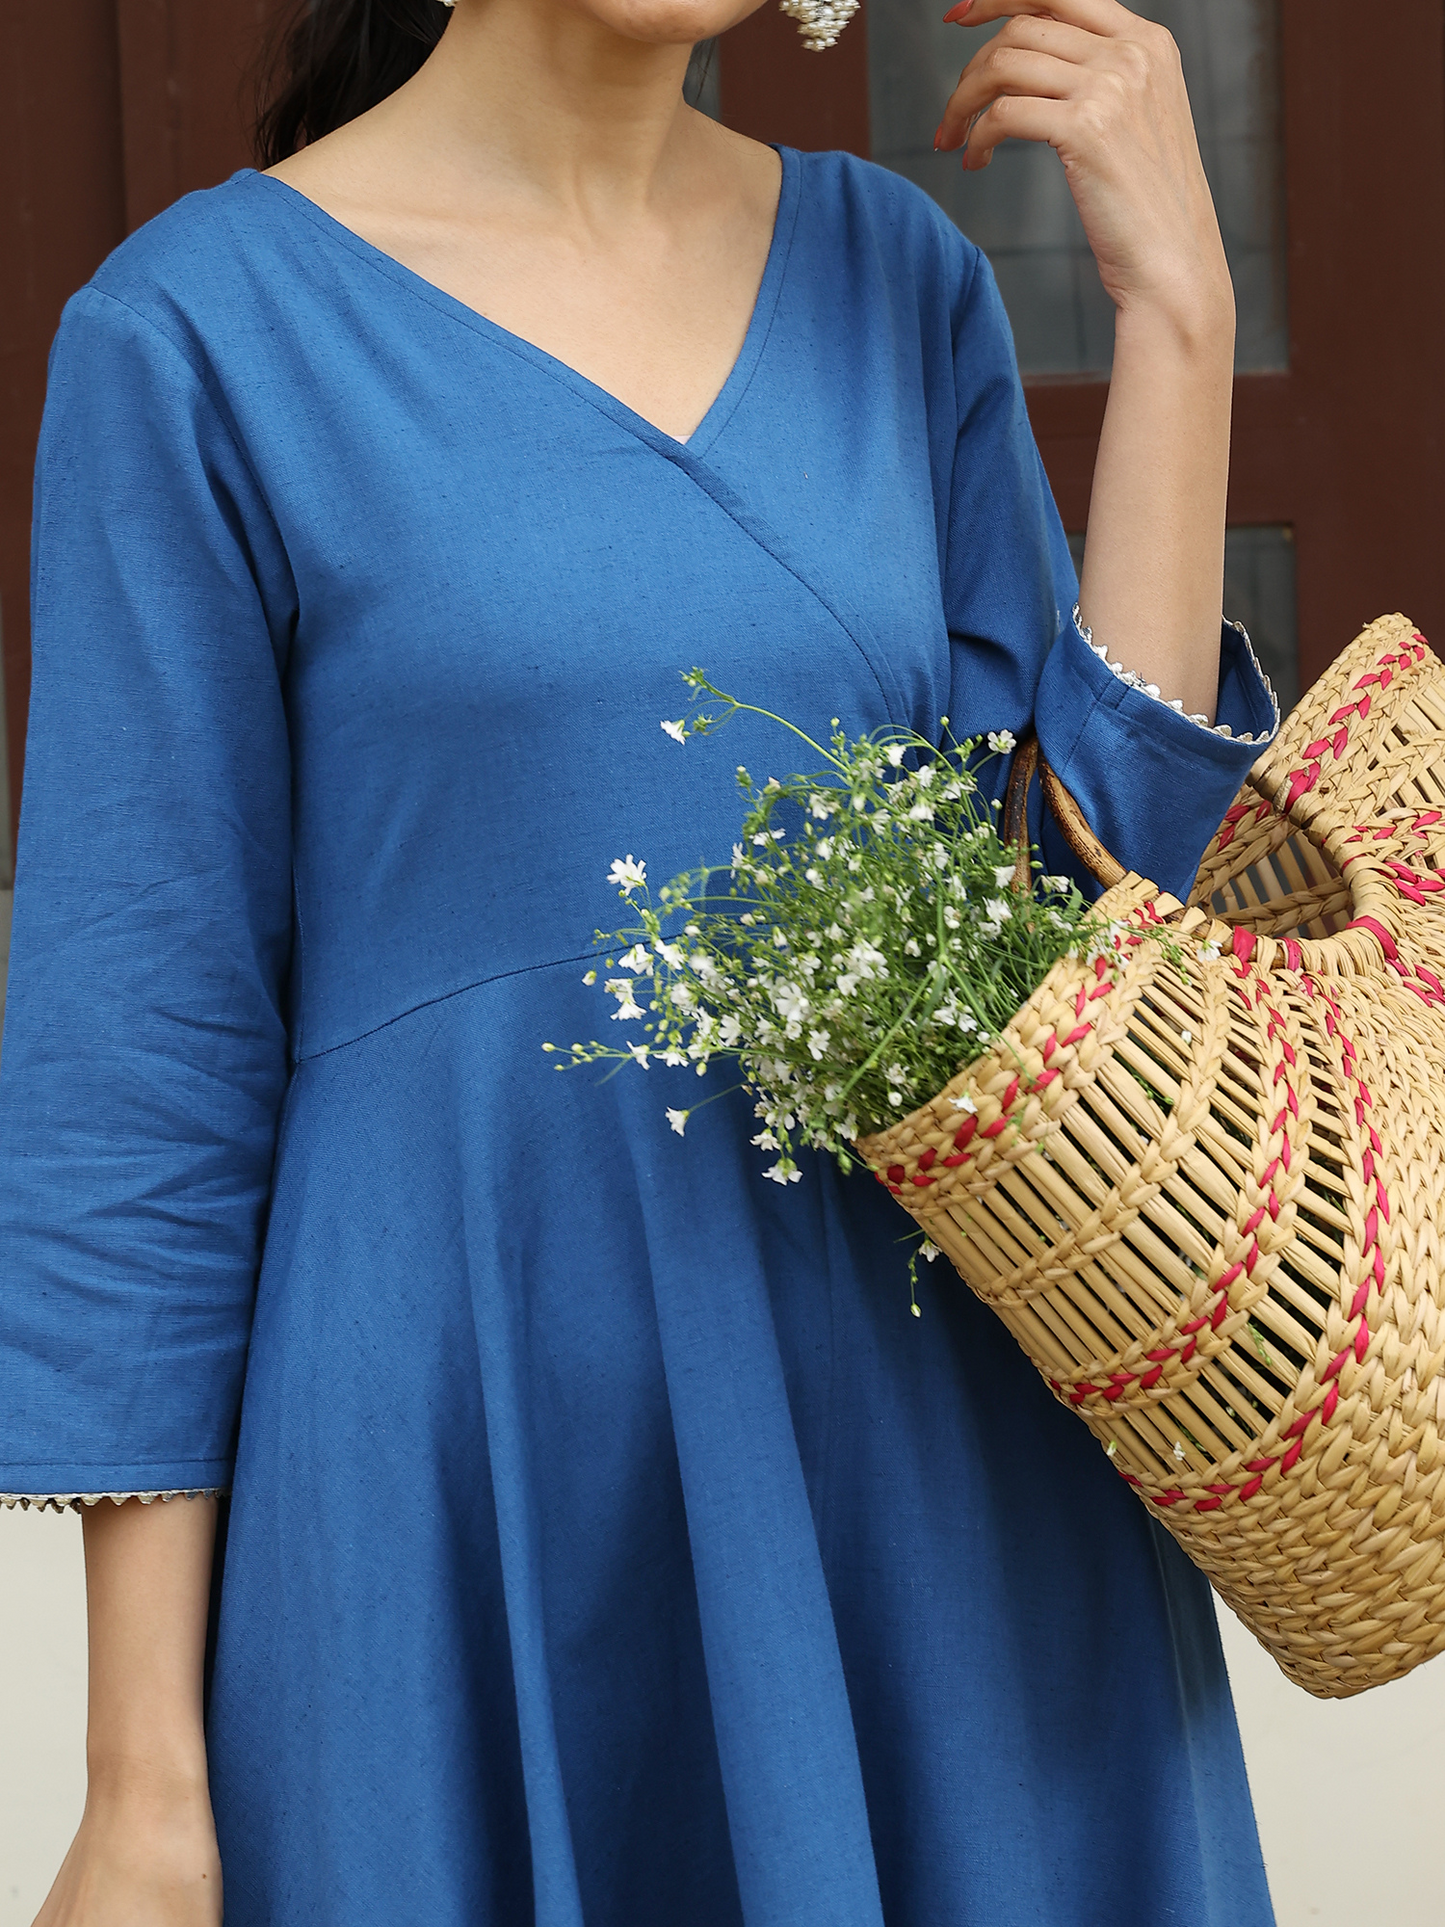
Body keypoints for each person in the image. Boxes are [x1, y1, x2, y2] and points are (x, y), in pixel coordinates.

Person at [2, 0, 1281, 1919]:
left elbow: (1084, 940)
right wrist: (140, 1779)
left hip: (934, 1490)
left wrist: (1180, 320)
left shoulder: (895, 276)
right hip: (474, 1488)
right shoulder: (188, 337)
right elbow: (144, 1067)